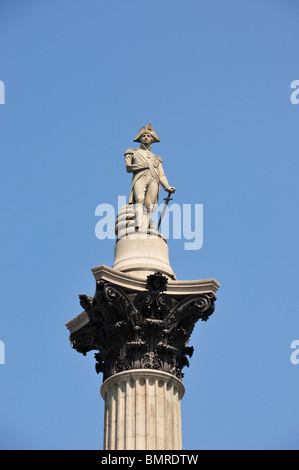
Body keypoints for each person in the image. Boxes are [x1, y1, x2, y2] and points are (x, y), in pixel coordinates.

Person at [124, 123, 175, 230]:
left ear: (152, 139)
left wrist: (167, 186)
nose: (146, 137)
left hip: (153, 180)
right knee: (139, 198)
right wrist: (143, 165)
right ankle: (138, 222)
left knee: (149, 205)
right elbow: (128, 168)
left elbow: (161, 175)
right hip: (140, 178)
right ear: (140, 138)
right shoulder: (133, 152)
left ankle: (146, 226)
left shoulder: (156, 158)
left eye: (148, 136)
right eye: (144, 136)